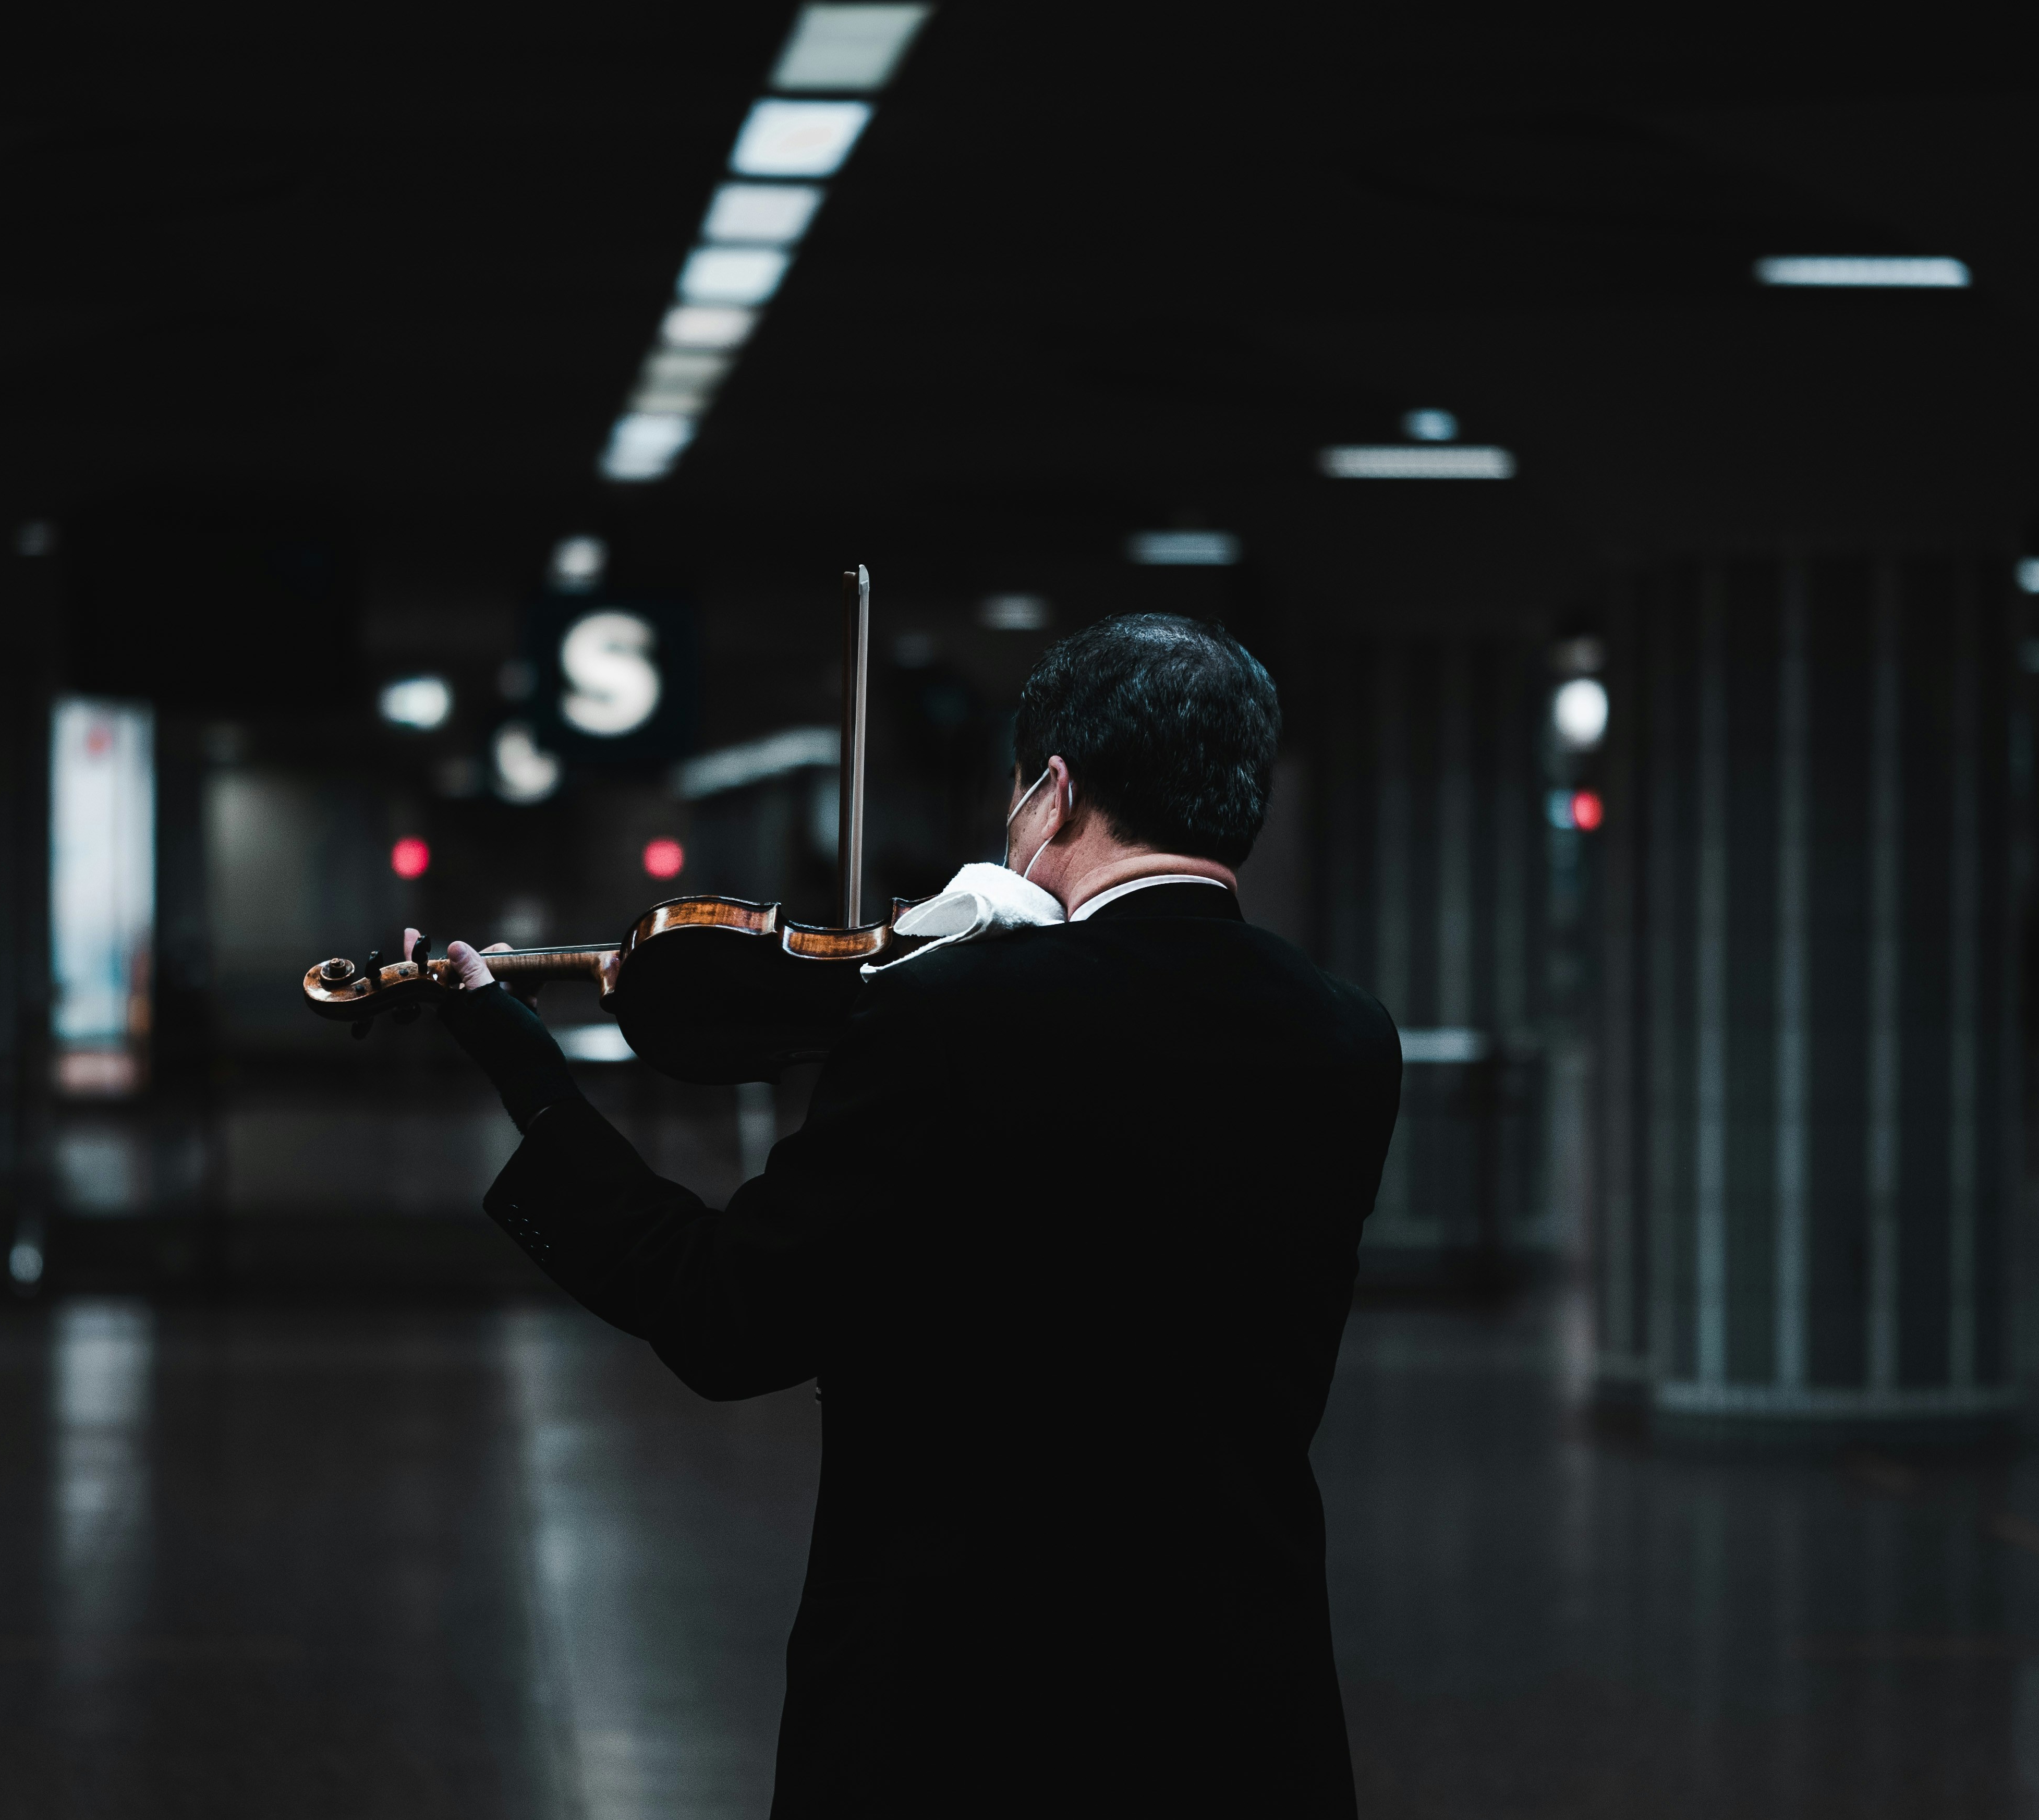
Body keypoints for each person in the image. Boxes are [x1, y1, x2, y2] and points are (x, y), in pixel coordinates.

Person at [422, 613, 1401, 1816]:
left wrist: (536, 1088)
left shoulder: (956, 1018)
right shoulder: (1352, 1039)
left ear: (1051, 790)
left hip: (969, 1711)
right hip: (1244, 1716)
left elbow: (729, 1317)